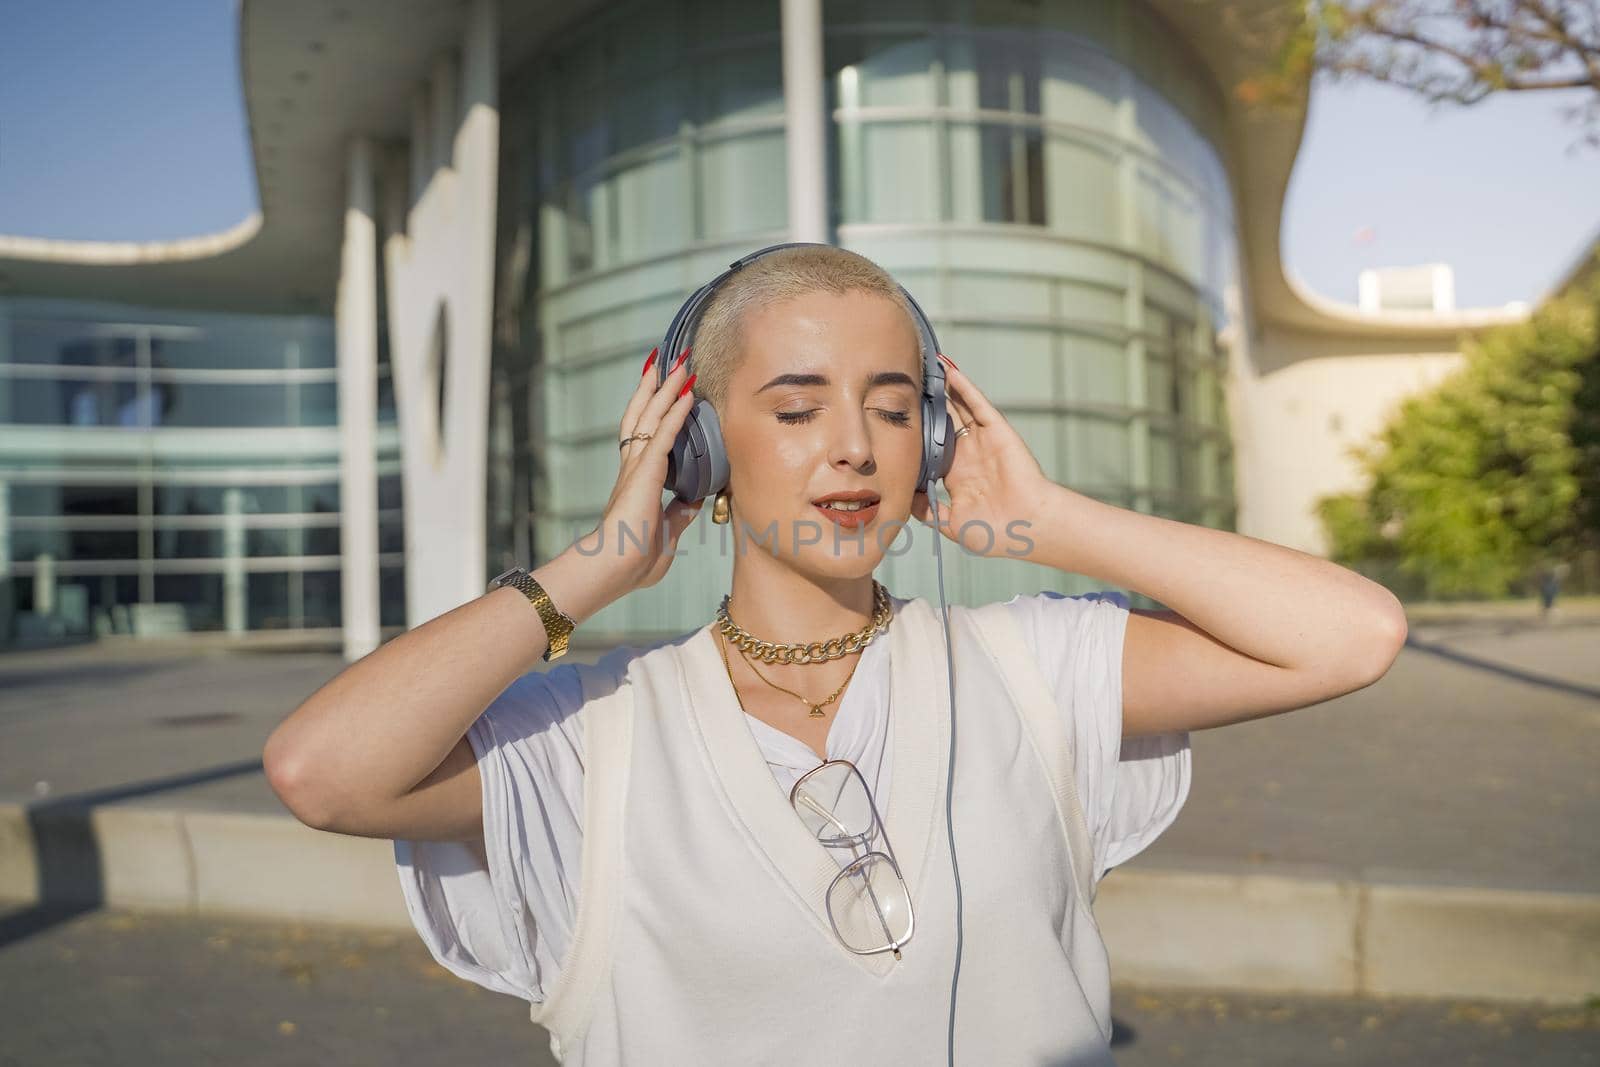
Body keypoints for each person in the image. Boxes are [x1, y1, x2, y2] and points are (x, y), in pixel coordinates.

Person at [263, 245, 1408, 1065]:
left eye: (896, 408)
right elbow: (322, 770)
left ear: (937, 437)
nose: (856, 448)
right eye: (797, 408)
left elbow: (1354, 635)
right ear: (698, 447)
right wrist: (595, 564)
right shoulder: (591, 730)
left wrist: (1047, 519)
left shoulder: (1030, 663)